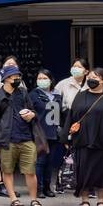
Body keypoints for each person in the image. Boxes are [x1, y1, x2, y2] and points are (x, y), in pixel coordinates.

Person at [0, 58, 45, 206]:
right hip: (7, 140)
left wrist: (31, 115)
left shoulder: (23, 93)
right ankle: (13, 199)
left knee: (30, 171)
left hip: (26, 138)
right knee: (8, 170)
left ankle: (34, 199)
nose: (17, 79)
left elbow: (34, 112)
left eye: (19, 76)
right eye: (14, 77)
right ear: (6, 79)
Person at [65, 67, 103, 206]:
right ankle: (85, 200)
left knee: (101, 172)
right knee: (84, 171)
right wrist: (66, 138)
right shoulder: (81, 96)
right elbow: (71, 116)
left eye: (96, 77)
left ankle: (101, 201)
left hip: (101, 141)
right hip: (82, 140)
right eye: (91, 76)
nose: (92, 79)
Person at [33, 69, 63, 199]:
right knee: (40, 162)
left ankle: (47, 187)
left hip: (54, 133)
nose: (41, 80)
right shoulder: (34, 94)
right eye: (39, 78)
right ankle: (38, 188)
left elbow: (61, 114)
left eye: (44, 78)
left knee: (50, 162)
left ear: (50, 80)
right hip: (40, 133)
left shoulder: (57, 95)